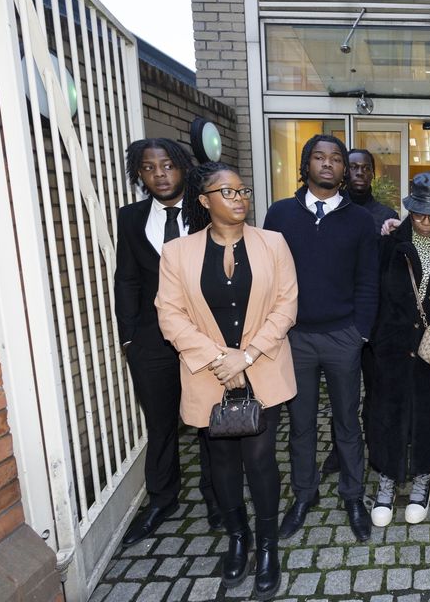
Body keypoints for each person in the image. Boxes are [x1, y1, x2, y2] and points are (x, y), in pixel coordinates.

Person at [156, 162, 298, 600]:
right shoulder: (177, 253)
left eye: (243, 191)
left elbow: (286, 305)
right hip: (208, 372)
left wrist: (247, 355)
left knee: (260, 459)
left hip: (263, 367)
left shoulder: (273, 243)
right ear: (205, 200)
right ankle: (239, 537)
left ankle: (268, 546)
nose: (239, 198)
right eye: (228, 192)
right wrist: (221, 358)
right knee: (220, 461)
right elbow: (170, 314)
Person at [263, 134, 379, 543]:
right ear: (306, 164)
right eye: (319, 156)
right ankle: (304, 494)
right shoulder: (280, 214)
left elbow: (368, 281)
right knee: (301, 424)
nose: (327, 163)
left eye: (335, 158)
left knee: (347, 421)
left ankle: (353, 495)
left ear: (344, 169)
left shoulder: (360, 220)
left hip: (343, 337)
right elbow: (268, 276)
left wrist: (360, 332)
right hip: (295, 339)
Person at [115, 138, 220, 546]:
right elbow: (126, 278)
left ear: (183, 168)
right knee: (160, 425)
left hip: (202, 337)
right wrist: (129, 337)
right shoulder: (130, 218)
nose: (159, 174)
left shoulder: (206, 212)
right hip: (150, 341)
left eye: (167, 166)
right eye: (149, 167)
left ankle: (216, 496)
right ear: (139, 174)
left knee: (209, 422)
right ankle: (162, 498)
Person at [363, 171, 430, 527]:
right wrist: (375, 337)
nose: (425, 220)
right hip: (393, 345)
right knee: (387, 413)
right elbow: (373, 291)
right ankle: (387, 479)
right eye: (419, 212)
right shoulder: (389, 241)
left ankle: (423, 478)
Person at [319, 147, 398, 476]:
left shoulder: (386, 214)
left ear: (373, 174)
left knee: (378, 392)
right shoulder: (333, 211)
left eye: (366, 168)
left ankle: (379, 447)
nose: (360, 173)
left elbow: (394, 268)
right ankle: (341, 450)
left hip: (378, 321)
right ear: (344, 173)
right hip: (342, 319)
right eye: (353, 167)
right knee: (342, 394)